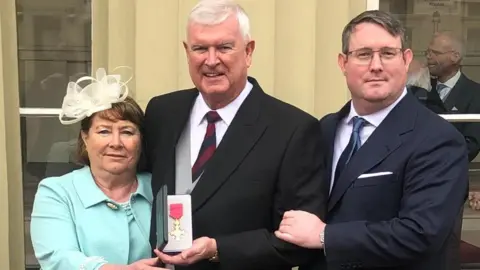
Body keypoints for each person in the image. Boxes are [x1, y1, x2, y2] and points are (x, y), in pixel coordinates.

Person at [275, 10, 469, 270]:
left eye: (388, 53)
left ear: (406, 59)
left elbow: (420, 233)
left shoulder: (439, 140)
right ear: (343, 63)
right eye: (364, 54)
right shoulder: (324, 129)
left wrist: (325, 236)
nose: (376, 65)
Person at [143, 0, 325, 269]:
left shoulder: (293, 130)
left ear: (249, 51)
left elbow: (298, 243)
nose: (211, 60)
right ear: (187, 51)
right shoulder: (162, 112)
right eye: (200, 48)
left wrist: (218, 249)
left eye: (224, 47)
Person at [30, 68, 167, 270]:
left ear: (140, 140)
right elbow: (57, 258)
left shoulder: (160, 187)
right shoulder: (56, 192)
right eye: (104, 131)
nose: (116, 142)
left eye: (127, 132)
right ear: (85, 138)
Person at [426, 31, 480, 161]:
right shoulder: (420, 90)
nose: (429, 56)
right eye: (427, 52)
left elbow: (471, 144)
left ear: (455, 57)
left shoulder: (475, 94)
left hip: (453, 175)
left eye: (436, 53)